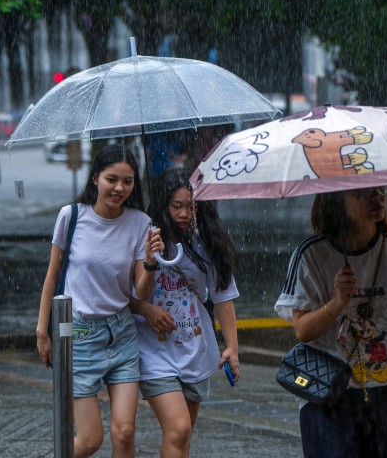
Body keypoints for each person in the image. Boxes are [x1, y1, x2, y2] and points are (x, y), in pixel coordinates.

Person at [275, 186, 387, 457]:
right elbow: (302, 330)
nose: (378, 195)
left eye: (382, 187)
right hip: (328, 393)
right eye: (363, 191)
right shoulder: (312, 254)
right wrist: (337, 302)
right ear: (337, 197)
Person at [36, 143, 163, 458]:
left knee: (124, 432)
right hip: (78, 336)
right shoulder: (71, 216)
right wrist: (43, 330)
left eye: (128, 181)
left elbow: (141, 293)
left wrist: (150, 261)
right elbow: (52, 277)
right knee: (90, 439)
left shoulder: (140, 223)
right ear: (95, 178)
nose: (119, 188)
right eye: (112, 179)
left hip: (121, 334)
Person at [129, 167, 240, 458]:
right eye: (176, 206)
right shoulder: (145, 237)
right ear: (163, 204)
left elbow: (223, 296)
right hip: (154, 352)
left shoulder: (207, 242)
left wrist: (232, 347)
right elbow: (137, 295)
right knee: (178, 428)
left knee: (182, 436)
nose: (183, 213)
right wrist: (150, 261)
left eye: (189, 206)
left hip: (194, 349)